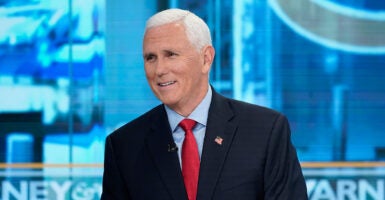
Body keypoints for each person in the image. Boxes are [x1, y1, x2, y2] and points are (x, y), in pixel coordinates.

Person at [101, 8, 308, 200]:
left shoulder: (265, 130)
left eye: (171, 54)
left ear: (206, 59)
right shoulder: (124, 147)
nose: (159, 70)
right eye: (150, 58)